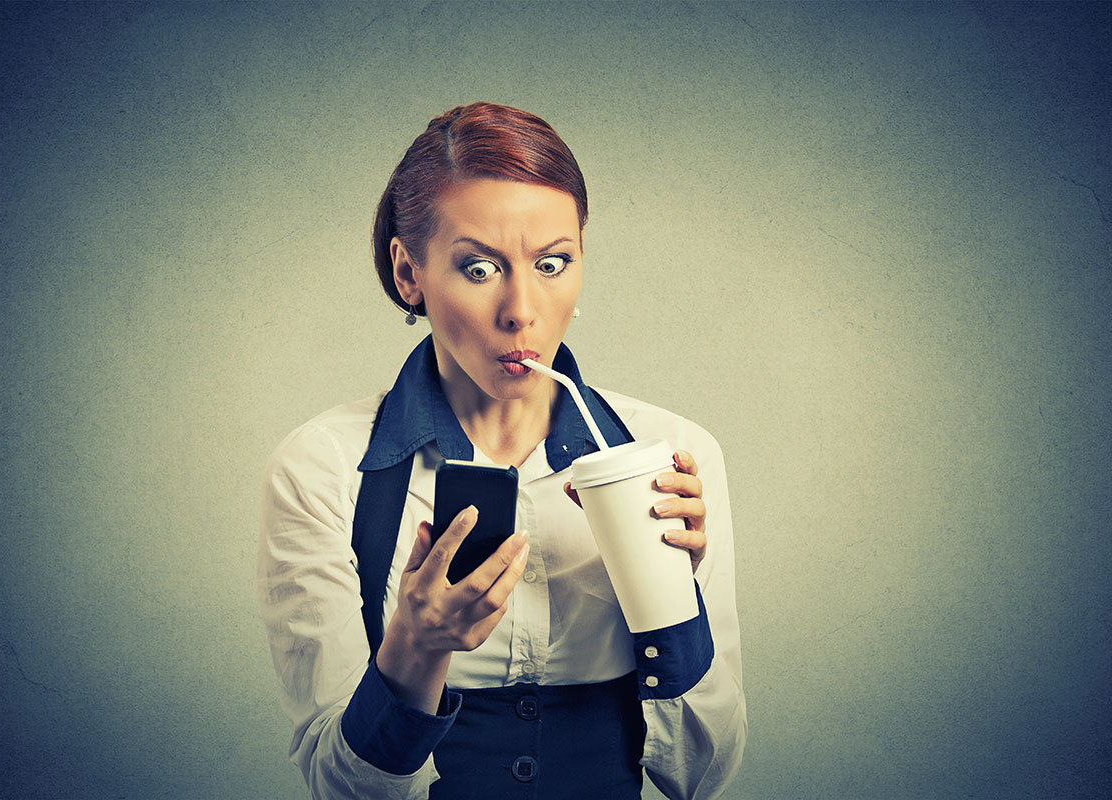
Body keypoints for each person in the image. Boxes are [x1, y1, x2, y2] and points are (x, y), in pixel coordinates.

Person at [257, 102, 747, 799]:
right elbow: (344, 787)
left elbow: (701, 776)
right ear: (408, 273)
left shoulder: (671, 456)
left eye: (552, 263)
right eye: (480, 268)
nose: (522, 310)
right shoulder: (324, 469)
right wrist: (418, 647)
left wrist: (670, 595)